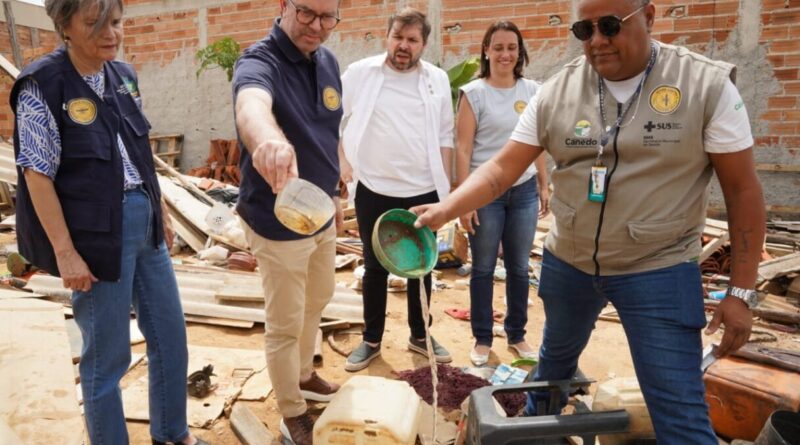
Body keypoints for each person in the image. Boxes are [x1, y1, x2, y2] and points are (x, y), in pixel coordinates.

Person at [412, 0, 765, 442]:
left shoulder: (704, 86)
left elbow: (743, 191)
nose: (597, 40)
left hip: (658, 270)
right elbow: (502, 168)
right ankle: (537, 434)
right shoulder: (558, 91)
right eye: (584, 29)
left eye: (611, 25)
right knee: (553, 368)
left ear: (649, 16)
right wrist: (444, 209)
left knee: (679, 413)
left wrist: (741, 290)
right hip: (570, 264)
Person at [10, 1, 207, 444]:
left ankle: (172, 434)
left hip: (145, 222)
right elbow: (37, 176)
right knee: (108, 358)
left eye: (115, 22)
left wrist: (163, 215)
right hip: (94, 236)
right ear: (64, 25)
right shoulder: (43, 84)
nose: (110, 33)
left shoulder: (122, 76)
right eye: (95, 23)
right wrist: (66, 253)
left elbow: (140, 155)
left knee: (170, 338)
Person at [232, 0, 343, 443]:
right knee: (284, 321)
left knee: (318, 298)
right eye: (307, 13)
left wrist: (340, 168)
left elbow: (329, 127)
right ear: (283, 5)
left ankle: (302, 373)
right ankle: (291, 410)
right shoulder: (260, 60)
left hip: (320, 212)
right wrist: (268, 143)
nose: (317, 26)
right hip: (277, 220)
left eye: (328, 16)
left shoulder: (329, 59)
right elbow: (251, 106)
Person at [339, 7, 455, 372]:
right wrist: (342, 162)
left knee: (421, 266)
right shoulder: (361, 73)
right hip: (374, 185)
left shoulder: (437, 79)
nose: (403, 46)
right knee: (375, 267)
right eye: (397, 37)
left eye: (412, 40)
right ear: (386, 36)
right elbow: (333, 120)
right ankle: (371, 339)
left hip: (423, 188)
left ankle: (420, 335)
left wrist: (448, 190)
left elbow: (445, 136)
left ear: (423, 43)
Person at [455, 21, 550, 366]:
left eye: (512, 47)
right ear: (486, 51)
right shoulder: (473, 93)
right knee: (482, 266)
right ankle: (482, 336)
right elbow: (463, 149)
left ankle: (517, 334)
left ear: (519, 52)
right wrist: (465, 199)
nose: (505, 54)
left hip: (523, 190)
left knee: (519, 268)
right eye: (498, 47)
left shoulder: (534, 90)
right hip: (485, 193)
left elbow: (537, 141)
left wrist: (543, 181)